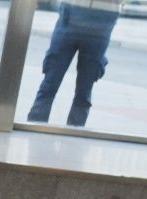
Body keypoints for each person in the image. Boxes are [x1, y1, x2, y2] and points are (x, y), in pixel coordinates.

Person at [26, 0, 122, 128]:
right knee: (50, 81)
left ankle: (74, 134)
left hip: (101, 22)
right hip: (70, 16)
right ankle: (35, 128)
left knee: (84, 89)